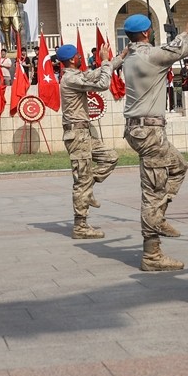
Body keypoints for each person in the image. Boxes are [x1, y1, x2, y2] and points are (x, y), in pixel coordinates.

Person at [120, 8, 188, 271]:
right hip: (149, 132)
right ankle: (152, 255)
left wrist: (185, 32)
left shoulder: (131, 56)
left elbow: (170, 49)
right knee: (153, 192)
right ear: (145, 33)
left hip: (139, 129)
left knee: (178, 167)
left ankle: (159, 216)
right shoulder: (152, 56)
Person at [56, 42, 118, 239]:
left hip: (84, 134)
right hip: (77, 135)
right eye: (78, 55)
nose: (81, 57)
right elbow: (102, 83)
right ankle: (80, 226)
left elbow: (97, 72)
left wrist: (120, 57)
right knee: (81, 180)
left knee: (110, 157)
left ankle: (88, 187)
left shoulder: (75, 76)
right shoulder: (71, 78)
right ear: (73, 59)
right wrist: (106, 60)